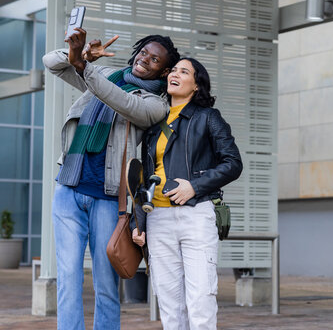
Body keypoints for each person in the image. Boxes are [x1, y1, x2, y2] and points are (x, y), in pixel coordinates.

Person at [42, 27, 180, 330]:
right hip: (68, 189)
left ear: (165, 69)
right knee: (68, 277)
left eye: (155, 59)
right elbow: (51, 61)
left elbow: (122, 102)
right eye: (144, 52)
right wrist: (77, 55)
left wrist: (86, 69)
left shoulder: (156, 104)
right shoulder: (104, 73)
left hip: (109, 199)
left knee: (106, 284)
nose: (145, 59)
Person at [131, 57, 243, 329]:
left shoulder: (208, 117)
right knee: (169, 304)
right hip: (157, 219)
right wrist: (139, 222)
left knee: (201, 298)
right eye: (173, 70)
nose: (175, 74)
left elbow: (233, 163)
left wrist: (195, 185)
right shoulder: (153, 123)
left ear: (196, 85)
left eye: (185, 71)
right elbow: (145, 178)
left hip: (196, 215)